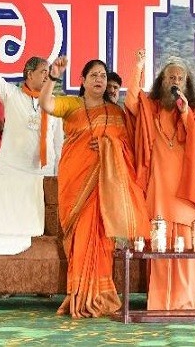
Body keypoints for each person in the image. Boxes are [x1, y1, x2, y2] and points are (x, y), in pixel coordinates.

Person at [39, 56, 150, 318]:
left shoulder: (116, 113)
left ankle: (99, 294)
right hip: (75, 182)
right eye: (93, 75)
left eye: (102, 75)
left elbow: (128, 149)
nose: (99, 79)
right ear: (83, 81)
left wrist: (107, 146)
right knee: (80, 238)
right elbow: (46, 104)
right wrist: (53, 77)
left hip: (104, 188)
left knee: (101, 239)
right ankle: (78, 294)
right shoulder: (72, 105)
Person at [125, 51, 195, 310]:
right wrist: (138, 67)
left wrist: (185, 113)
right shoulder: (150, 109)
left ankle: (188, 302)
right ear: (162, 81)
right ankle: (160, 302)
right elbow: (130, 101)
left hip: (184, 192)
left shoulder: (192, 113)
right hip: (159, 188)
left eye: (180, 79)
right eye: (171, 77)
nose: (175, 81)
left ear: (186, 85)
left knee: (186, 246)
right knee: (160, 244)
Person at [0, 10, 63, 176]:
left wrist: (58, 176)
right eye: (43, 72)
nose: (48, 76)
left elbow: (58, 143)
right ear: (30, 74)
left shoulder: (54, 103)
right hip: (10, 170)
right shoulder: (12, 94)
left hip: (43, 172)